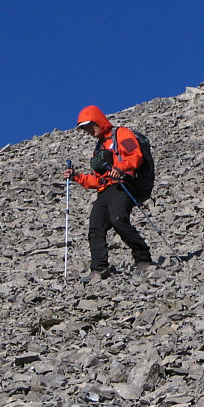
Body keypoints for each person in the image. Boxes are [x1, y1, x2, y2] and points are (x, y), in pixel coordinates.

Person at [63, 105, 152, 279]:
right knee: (95, 227)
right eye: (85, 128)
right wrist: (77, 177)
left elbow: (136, 155)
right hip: (105, 190)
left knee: (118, 220)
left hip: (123, 185)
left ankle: (143, 258)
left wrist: (120, 167)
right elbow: (97, 180)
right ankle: (99, 268)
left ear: (98, 121)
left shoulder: (121, 134)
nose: (88, 130)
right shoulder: (99, 147)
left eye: (89, 125)